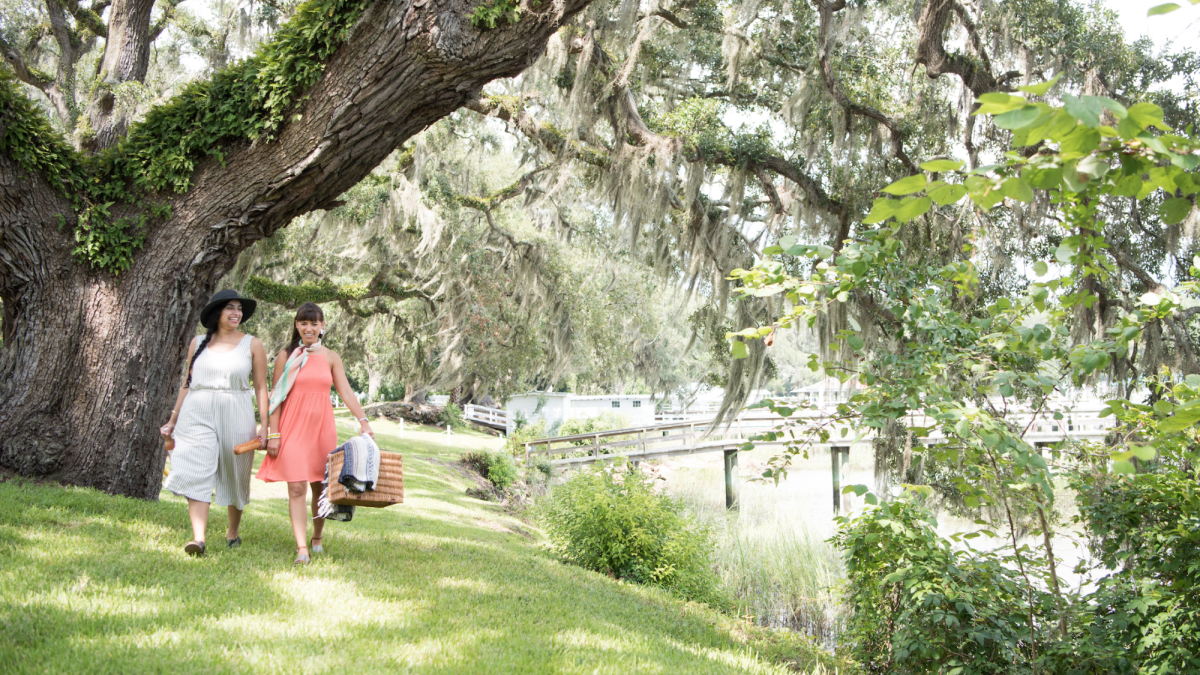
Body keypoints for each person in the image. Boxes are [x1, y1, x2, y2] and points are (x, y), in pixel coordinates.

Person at [257, 302, 374, 564]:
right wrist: (273, 434)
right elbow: (276, 398)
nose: (308, 328)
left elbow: (345, 392)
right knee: (296, 488)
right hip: (291, 428)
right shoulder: (286, 356)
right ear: (296, 325)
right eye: (303, 323)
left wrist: (363, 420)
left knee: (320, 487)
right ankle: (301, 548)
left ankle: (317, 538)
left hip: (321, 430)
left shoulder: (331, 357)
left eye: (314, 323)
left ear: (322, 326)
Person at [161, 290, 270, 556]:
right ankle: (198, 539)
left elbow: (260, 387)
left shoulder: (252, 344)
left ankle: (232, 532)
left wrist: (264, 425)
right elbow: (187, 383)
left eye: (239, 309)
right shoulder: (198, 342)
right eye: (230, 308)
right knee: (197, 468)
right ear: (217, 313)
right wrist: (173, 419)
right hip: (197, 411)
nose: (236, 313)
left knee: (236, 473)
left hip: (237, 410)